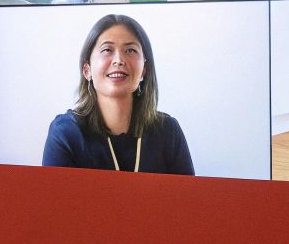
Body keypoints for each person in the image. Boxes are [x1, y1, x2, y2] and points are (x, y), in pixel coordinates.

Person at [41, 14, 195, 175]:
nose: (119, 60)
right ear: (87, 70)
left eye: (130, 50)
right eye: (107, 50)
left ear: (144, 70)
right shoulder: (66, 132)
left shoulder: (168, 131)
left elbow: (187, 192)